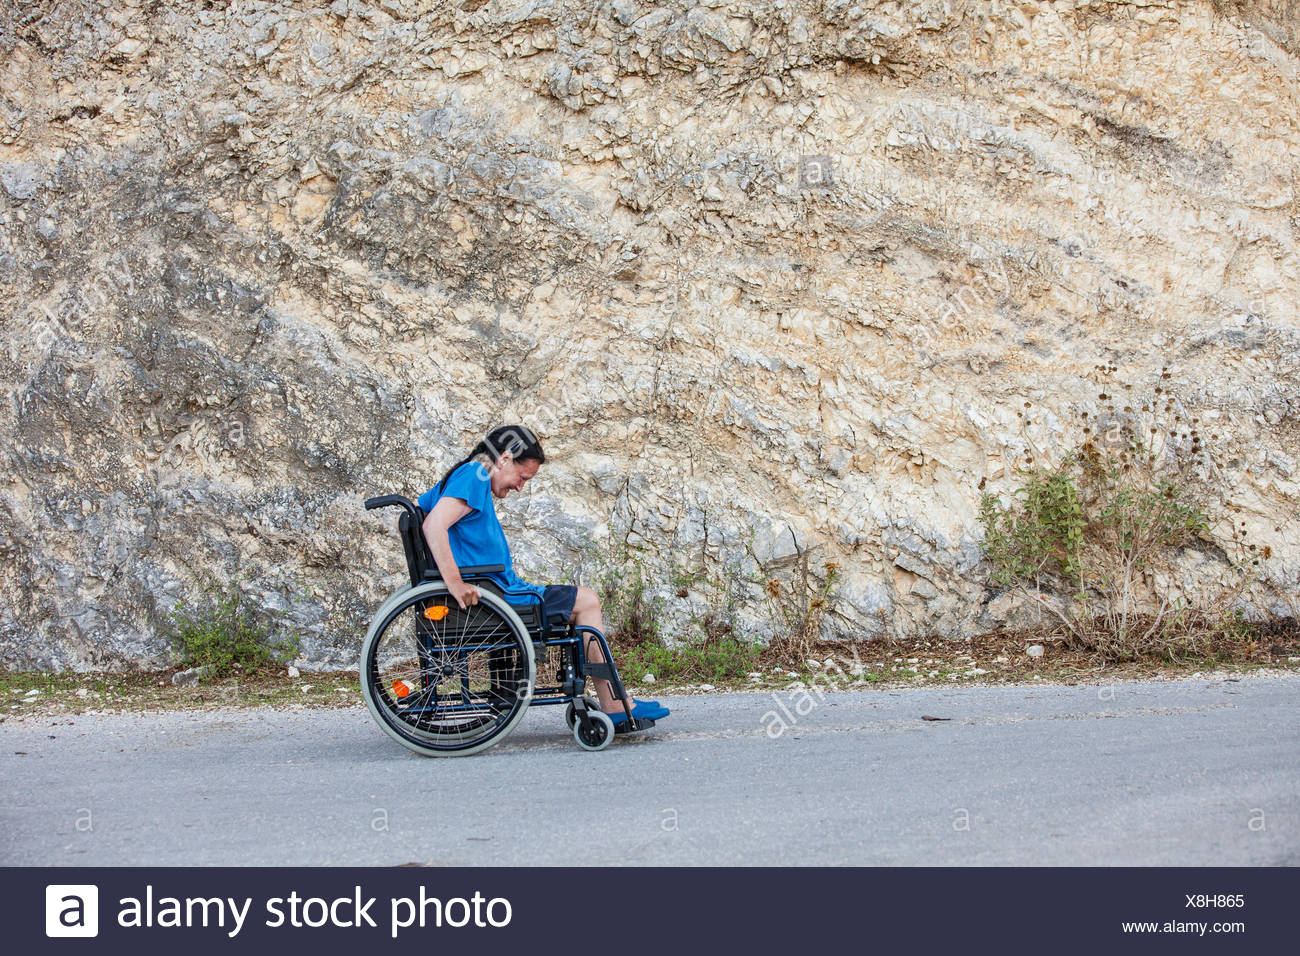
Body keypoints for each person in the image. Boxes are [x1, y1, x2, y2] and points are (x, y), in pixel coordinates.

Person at [418, 425, 669, 726]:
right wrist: (456, 583)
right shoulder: (474, 475)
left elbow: (412, 514)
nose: (520, 487)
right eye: (522, 477)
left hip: (499, 591)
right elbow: (432, 525)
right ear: (504, 459)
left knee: (582, 600)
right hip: (499, 597)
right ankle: (614, 704)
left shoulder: (463, 477)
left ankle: (612, 700)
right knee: (587, 601)